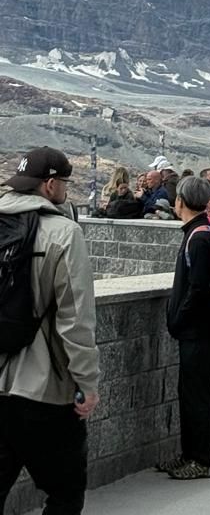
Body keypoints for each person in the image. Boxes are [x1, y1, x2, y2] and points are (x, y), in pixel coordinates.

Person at [0, 147, 99, 515]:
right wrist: (86, 384)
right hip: (43, 392)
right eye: (65, 184)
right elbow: (76, 320)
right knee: (65, 492)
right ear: (51, 184)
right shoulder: (64, 233)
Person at [162, 174, 210, 480]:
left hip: (198, 330)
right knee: (189, 393)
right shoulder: (198, 233)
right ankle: (189, 455)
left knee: (197, 395)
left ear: (181, 202)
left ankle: (201, 460)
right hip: (196, 329)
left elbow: (198, 288)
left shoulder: (198, 238)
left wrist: (178, 319)